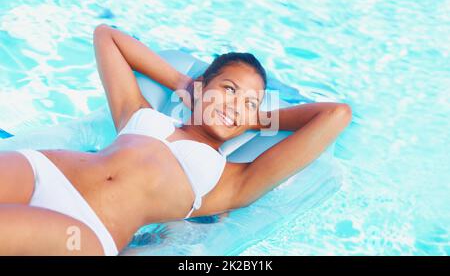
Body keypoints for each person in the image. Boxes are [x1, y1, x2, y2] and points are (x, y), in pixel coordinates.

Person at [0, 24, 352, 255]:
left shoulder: (231, 181)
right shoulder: (138, 114)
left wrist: (257, 120)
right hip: (42, 169)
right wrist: (183, 84)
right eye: (229, 89)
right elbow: (106, 36)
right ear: (201, 89)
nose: (235, 105)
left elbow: (336, 115)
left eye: (249, 102)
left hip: (86, 231)